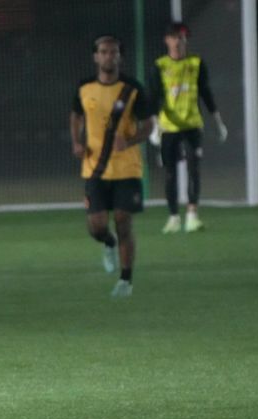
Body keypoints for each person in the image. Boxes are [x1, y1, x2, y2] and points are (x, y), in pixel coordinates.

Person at [71, 35, 155, 297]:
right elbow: (76, 114)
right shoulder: (84, 88)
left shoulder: (132, 89)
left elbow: (150, 126)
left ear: (120, 56)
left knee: (123, 220)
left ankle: (125, 281)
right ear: (96, 57)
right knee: (96, 225)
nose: (109, 56)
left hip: (127, 169)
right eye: (104, 52)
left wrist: (129, 140)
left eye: (114, 52)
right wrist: (76, 141)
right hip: (94, 169)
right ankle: (108, 243)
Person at [148, 22, 227, 234]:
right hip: (169, 127)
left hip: (192, 125)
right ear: (167, 40)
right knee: (170, 173)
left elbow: (206, 93)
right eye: (175, 37)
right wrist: (155, 126)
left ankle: (192, 215)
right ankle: (173, 217)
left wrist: (218, 120)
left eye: (183, 38)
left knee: (194, 170)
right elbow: (154, 97)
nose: (179, 41)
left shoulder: (196, 63)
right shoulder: (160, 65)